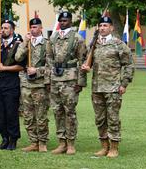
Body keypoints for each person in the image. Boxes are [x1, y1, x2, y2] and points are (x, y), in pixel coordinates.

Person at [81, 16, 134, 158]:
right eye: (100, 25)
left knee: (113, 118)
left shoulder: (118, 44)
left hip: (113, 88)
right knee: (99, 119)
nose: (102, 28)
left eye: (105, 25)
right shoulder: (94, 45)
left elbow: (128, 64)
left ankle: (114, 147)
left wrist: (124, 84)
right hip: (97, 88)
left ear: (111, 28)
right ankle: (104, 146)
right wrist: (86, 67)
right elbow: (87, 62)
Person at [47, 11, 87, 155]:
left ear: (70, 21)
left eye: (65, 20)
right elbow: (48, 58)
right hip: (55, 79)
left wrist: (80, 82)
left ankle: (71, 143)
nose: (63, 23)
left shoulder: (77, 38)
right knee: (57, 111)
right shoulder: (53, 37)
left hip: (70, 79)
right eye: (61, 21)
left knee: (69, 111)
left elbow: (83, 61)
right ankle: (61, 142)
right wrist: (48, 79)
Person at [0, 20, 25, 150]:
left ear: (12, 30)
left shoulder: (17, 45)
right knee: (1, 112)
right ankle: (4, 138)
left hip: (11, 82)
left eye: (6, 28)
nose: (3, 30)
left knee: (11, 112)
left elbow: (21, 66)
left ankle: (13, 139)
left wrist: (4, 69)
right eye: (2, 28)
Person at [15, 18, 50, 152]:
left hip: (39, 84)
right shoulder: (25, 43)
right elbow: (18, 58)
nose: (33, 29)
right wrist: (25, 42)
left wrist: (38, 71)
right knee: (28, 115)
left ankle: (42, 142)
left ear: (41, 28)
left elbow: (51, 66)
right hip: (26, 84)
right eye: (31, 27)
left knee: (41, 115)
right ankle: (33, 141)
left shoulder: (47, 44)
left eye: (36, 27)